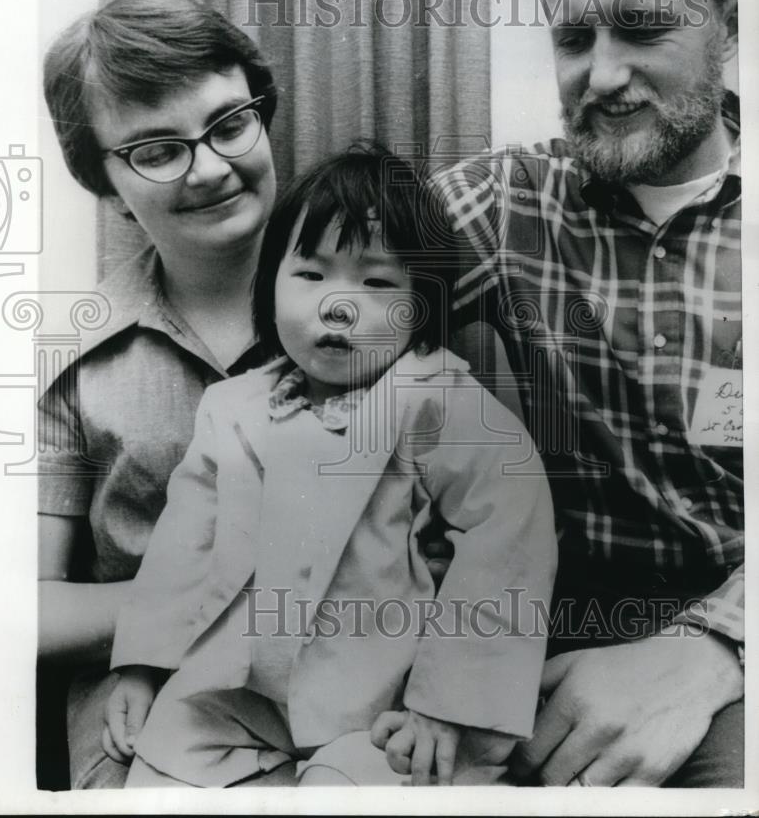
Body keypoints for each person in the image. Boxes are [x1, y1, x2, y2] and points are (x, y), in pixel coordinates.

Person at [417, 0, 744, 787]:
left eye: (642, 28)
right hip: (534, 655)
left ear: (728, 21)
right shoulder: (509, 200)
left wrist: (714, 651)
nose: (601, 74)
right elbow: (320, 269)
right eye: (574, 37)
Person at [101, 146, 557, 787]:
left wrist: (448, 705)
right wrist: (143, 662)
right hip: (243, 684)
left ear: (420, 305)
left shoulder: (437, 402)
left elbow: (508, 539)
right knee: (161, 761)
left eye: (376, 284)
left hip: (390, 697)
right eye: (311, 276)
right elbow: (185, 545)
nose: (338, 306)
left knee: (347, 788)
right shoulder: (233, 408)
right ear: (271, 283)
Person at [38, 0, 282, 789]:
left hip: (359, 696)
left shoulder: (384, 299)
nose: (210, 167)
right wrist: (222, 602)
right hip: (143, 726)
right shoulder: (67, 355)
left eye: (228, 123)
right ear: (103, 181)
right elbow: (25, 615)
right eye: (155, 150)